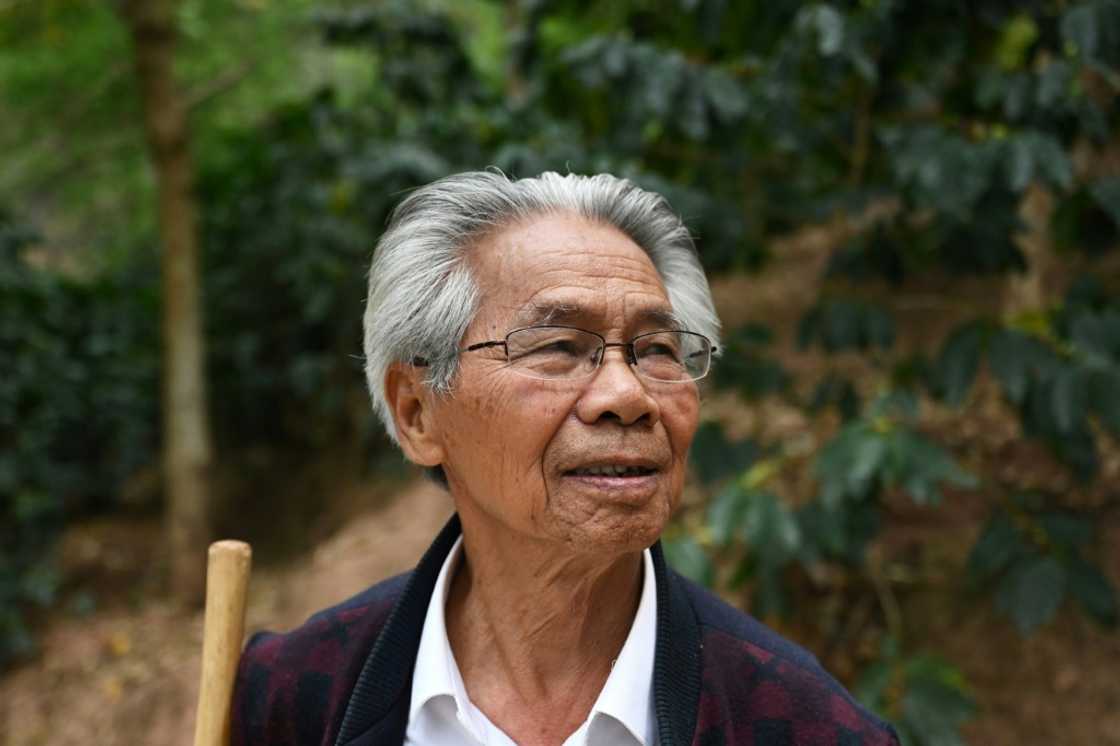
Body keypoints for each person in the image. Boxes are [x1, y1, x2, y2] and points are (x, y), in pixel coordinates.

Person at [231, 171, 900, 746]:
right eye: (557, 347)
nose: (628, 396)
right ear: (417, 412)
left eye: (657, 350)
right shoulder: (291, 699)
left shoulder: (807, 727)